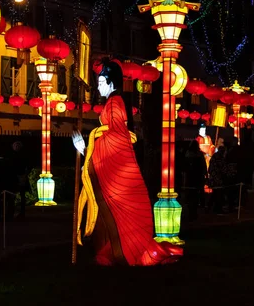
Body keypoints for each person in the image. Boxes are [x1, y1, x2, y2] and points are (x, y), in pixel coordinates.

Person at [72, 58, 182, 266]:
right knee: (109, 212)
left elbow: (116, 135)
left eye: (101, 83)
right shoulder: (114, 103)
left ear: (111, 82)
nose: (98, 88)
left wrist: (91, 142)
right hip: (115, 163)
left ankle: (121, 251)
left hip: (116, 169)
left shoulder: (115, 103)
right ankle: (111, 250)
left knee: (114, 210)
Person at [184, 140, 206, 221]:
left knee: (190, 195)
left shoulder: (188, 154)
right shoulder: (199, 154)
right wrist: (205, 174)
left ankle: (191, 212)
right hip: (197, 177)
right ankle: (194, 211)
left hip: (190, 177)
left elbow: (185, 167)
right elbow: (203, 165)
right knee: (196, 194)